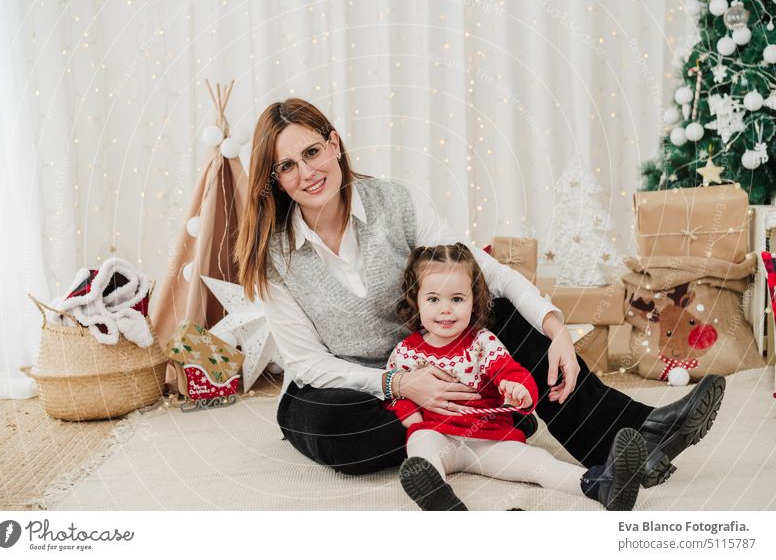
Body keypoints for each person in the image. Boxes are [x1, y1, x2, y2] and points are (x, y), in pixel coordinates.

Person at [234, 98, 725, 497]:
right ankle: (482, 425)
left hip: (441, 364)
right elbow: (309, 363)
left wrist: (554, 327)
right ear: (275, 179)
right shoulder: (272, 255)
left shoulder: (398, 202)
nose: (306, 172)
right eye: (287, 166)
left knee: (504, 314)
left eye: (313, 152)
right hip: (353, 389)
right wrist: (401, 385)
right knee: (330, 425)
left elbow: (484, 271)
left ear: (335, 144)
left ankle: (637, 434)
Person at [386, 243, 646, 511]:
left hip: (489, 437)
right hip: (439, 435)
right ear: (415, 300)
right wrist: (414, 420)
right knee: (420, 445)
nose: (446, 309)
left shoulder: (482, 341)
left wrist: (518, 389)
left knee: (538, 462)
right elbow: (396, 394)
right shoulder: (406, 352)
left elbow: (510, 371)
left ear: (474, 299)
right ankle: (440, 499)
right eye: (433, 299)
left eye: (457, 299)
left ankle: (601, 484)